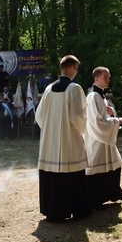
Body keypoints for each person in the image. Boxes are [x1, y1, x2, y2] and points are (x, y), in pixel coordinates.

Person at [35, 55, 89, 221]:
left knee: (53, 174)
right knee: (71, 170)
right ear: (71, 67)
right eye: (76, 69)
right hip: (68, 140)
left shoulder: (49, 89)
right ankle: (76, 208)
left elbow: (40, 116)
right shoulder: (74, 88)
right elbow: (78, 117)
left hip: (50, 142)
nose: (76, 72)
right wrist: (81, 130)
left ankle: (53, 210)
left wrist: (51, 131)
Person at [84, 67, 122, 208]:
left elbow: (105, 115)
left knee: (115, 163)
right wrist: (116, 121)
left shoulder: (101, 95)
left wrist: (112, 113)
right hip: (97, 138)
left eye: (109, 77)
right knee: (97, 168)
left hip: (105, 137)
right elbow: (96, 121)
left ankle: (114, 192)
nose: (108, 80)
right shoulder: (93, 96)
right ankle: (95, 199)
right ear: (96, 78)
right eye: (106, 77)